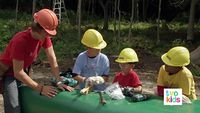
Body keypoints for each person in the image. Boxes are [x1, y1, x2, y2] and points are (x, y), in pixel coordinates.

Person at [0, 9, 74, 113]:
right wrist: (40, 88)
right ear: (39, 29)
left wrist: (59, 81)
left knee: (28, 100)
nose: (49, 36)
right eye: (47, 33)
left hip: (24, 71)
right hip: (9, 74)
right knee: (14, 107)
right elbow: (18, 72)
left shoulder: (44, 37)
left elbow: (52, 58)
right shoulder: (20, 41)